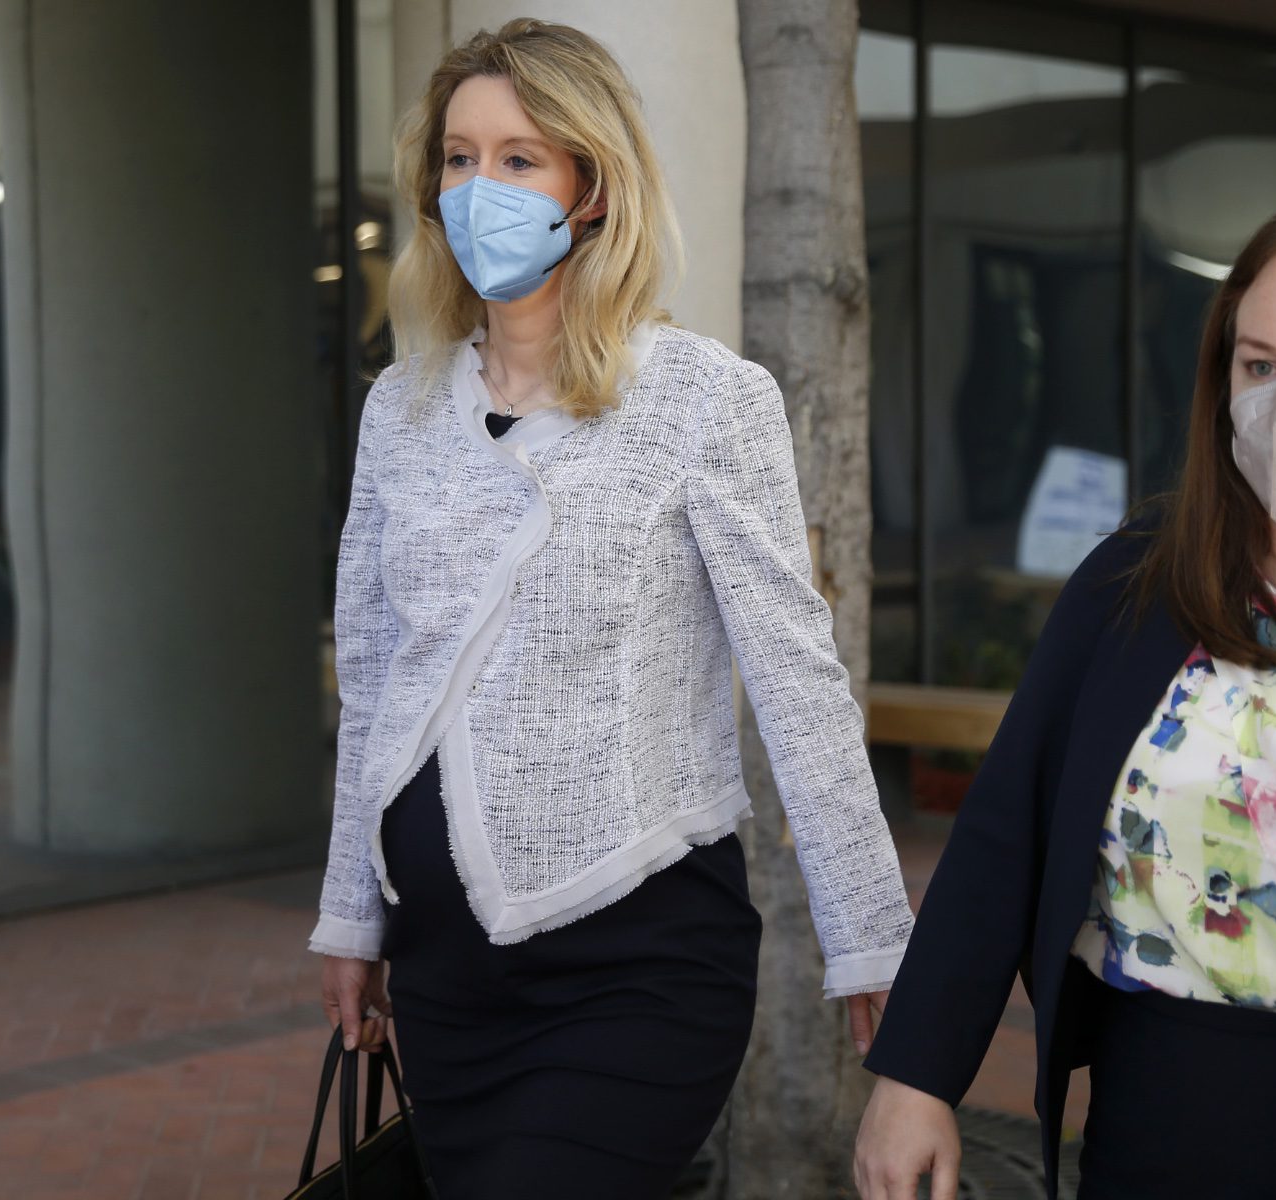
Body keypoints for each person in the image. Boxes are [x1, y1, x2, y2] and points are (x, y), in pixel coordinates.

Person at [311, 19, 914, 1198]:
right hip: (445, 977)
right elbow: (377, 678)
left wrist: (872, 939)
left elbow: (798, 681)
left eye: (521, 158)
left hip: (634, 964)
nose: (481, 186)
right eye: (459, 158)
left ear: (592, 186)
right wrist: (350, 918)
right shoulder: (402, 408)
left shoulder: (703, 400)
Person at [853, 194, 1276, 1200]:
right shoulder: (1143, 578)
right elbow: (1005, 830)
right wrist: (916, 1075)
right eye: (1261, 366)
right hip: (1167, 1106)